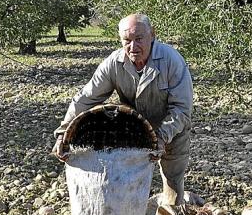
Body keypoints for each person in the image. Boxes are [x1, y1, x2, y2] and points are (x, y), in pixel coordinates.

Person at [52, 13, 193, 205]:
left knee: (172, 178)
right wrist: (63, 132)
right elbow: (86, 98)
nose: (133, 47)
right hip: (135, 131)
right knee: (125, 181)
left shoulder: (172, 61)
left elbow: (181, 110)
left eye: (139, 39)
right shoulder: (113, 63)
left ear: (153, 35)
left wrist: (161, 137)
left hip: (172, 129)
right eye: (127, 40)